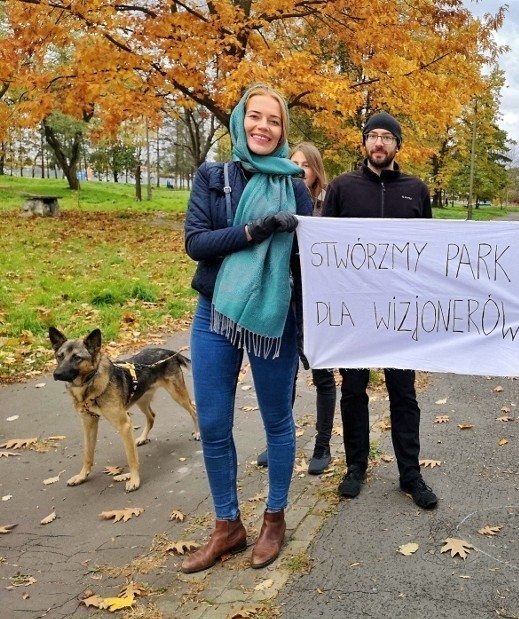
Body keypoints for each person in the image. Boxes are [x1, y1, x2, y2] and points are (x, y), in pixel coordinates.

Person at [182, 84, 313, 573]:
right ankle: (227, 527)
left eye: (273, 121)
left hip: (274, 317)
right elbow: (197, 243)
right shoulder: (212, 177)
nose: (263, 127)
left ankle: (274, 519)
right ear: (240, 122)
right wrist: (257, 230)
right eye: (255, 117)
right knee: (214, 425)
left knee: (277, 421)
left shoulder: (294, 183)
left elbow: (310, 257)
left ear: (283, 131)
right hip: (215, 312)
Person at [322, 111, 438, 510]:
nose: (379, 143)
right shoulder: (341, 188)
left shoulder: (416, 190)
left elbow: (429, 251)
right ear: (364, 143)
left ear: (397, 146)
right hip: (355, 312)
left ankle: (411, 473)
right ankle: (356, 466)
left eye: (387, 137)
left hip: (400, 313)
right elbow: (325, 249)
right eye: (373, 136)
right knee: (353, 391)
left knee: (403, 394)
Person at [256, 142, 336, 475]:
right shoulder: (274, 200)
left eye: (306, 165)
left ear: (316, 170)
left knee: (322, 372)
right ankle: (278, 440)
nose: (299, 169)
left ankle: (323, 445)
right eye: (294, 163)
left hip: (315, 301)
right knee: (282, 374)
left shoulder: (327, 208)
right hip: (280, 296)